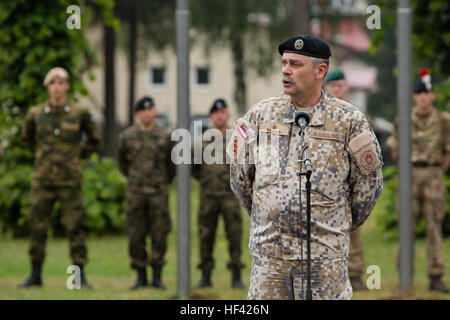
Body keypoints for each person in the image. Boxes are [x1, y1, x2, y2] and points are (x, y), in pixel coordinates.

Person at [227, 35, 383, 300]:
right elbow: (240, 177)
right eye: (285, 63)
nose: (286, 70)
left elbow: (368, 186)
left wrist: (337, 226)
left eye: (296, 64)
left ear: (321, 70)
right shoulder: (260, 116)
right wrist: (268, 216)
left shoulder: (348, 121)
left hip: (325, 260)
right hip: (271, 258)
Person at [19, 67, 100, 288]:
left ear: (67, 86)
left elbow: (94, 139)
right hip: (42, 179)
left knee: (75, 228)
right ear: (48, 86)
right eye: (53, 83)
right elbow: (26, 140)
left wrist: (76, 155)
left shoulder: (78, 113)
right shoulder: (35, 114)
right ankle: (35, 275)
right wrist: (42, 157)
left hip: (69, 180)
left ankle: (78, 276)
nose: (57, 87)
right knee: (37, 226)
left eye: (61, 82)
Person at [387, 69, 450, 293]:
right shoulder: (403, 119)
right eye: (419, 93)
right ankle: (405, 277)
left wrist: (434, 171)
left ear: (433, 95)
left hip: (433, 176)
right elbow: (395, 151)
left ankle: (436, 276)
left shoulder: (444, 120)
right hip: (409, 177)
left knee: (434, 228)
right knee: (407, 227)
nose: (424, 97)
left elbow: (447, 153)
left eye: (428, 93)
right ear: (414, 97)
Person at [118, 96, 175, 290]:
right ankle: (140, 275)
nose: (147, 113)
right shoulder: (127, 136)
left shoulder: (166, 136)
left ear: (155, 111)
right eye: (143, 110)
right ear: (137, 113)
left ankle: (157, 275)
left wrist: (162, 183)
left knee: (159, 234)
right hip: (135, 194)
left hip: (158, 193)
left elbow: (171, 166)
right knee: (136, 235)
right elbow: (122, 164)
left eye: (150, 109)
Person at [193, 99, 245, 289]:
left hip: (230, 196)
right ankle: (205, 275)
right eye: (216, 113)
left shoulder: (237, 140)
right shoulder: (201, 142)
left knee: (234, 235)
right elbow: (194, 168)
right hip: (208, 196)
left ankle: (236, 275)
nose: (220, 116)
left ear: (228, 114)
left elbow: (245, 166)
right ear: (210, 117)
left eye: (223, 112)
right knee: (206, 235)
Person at [324, 69, 367, 291]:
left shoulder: (357, 114)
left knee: (354, 231)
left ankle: (356, 275)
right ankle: (329, 275)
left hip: (349, 182)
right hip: (324, 185)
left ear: (346, 87)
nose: (337, 89)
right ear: (326, 87)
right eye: (333, 85)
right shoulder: (319, 113)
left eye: (340, 85)